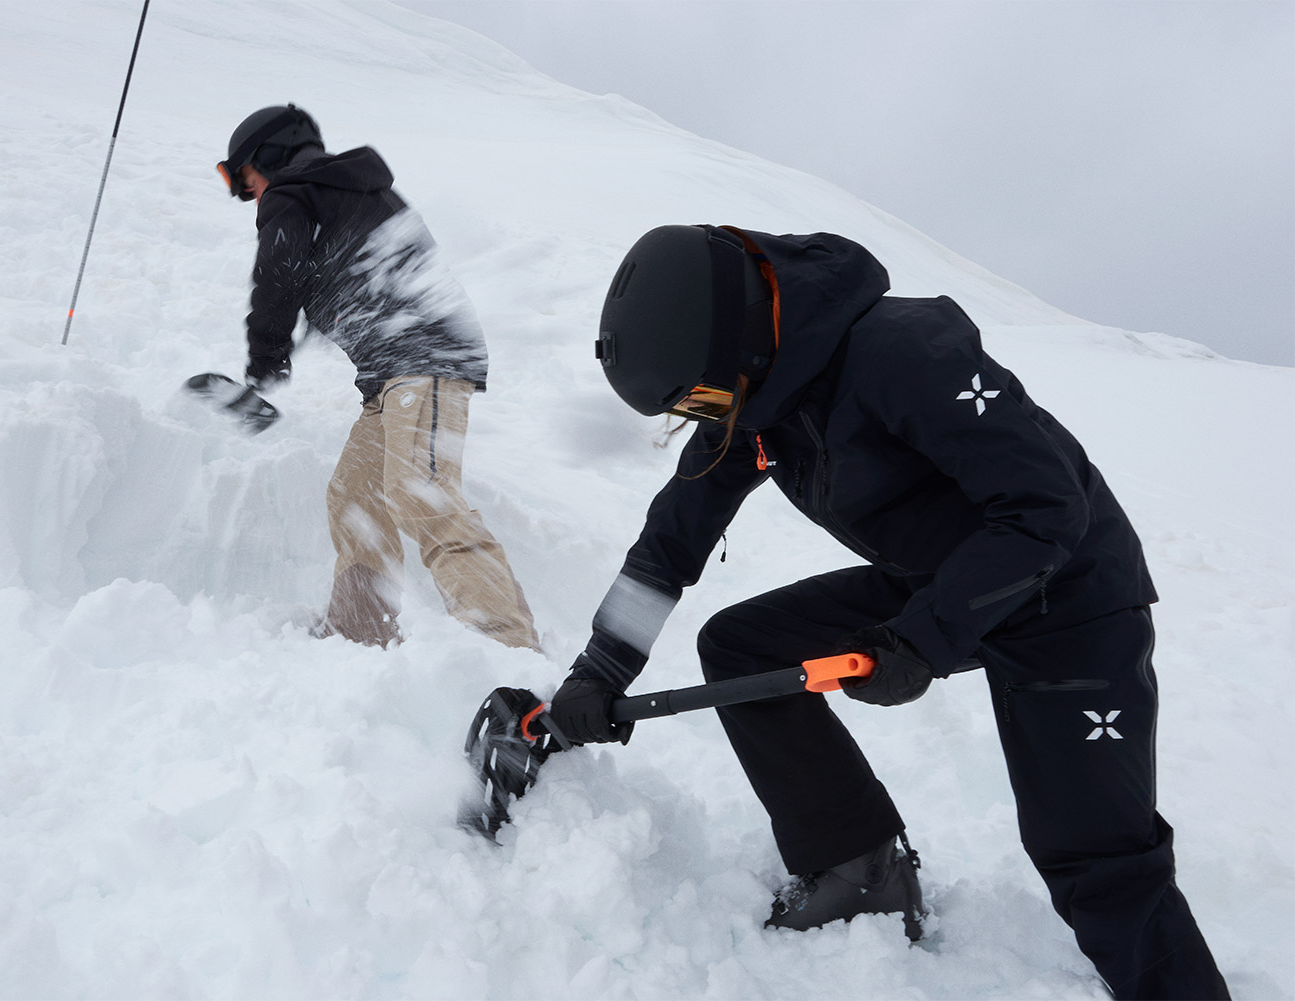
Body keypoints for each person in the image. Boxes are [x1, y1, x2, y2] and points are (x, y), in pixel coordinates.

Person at [547, 224, 1229, 1000]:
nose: (711, 416)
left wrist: (923, 639)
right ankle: (860, 871)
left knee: (1096, 858)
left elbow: (1046, 507)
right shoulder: (755, 402)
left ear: (742, 334)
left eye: (704, 396)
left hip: (1070, 596)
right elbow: (672, 539)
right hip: (937, 580)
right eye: (693, 406)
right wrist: (600, 669)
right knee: (744, 646)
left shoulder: (903, 352)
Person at [215, 104, 538, 651]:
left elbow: (277, 276)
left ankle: (505, 646)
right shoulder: (351, 189)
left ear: (269, 155)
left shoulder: (292, 191)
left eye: (244, 177)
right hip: (393, 372)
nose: (248, 192)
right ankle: (359, 630)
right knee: (355, 495)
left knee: (422, 494)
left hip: (423, 360)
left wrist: (265, 356)